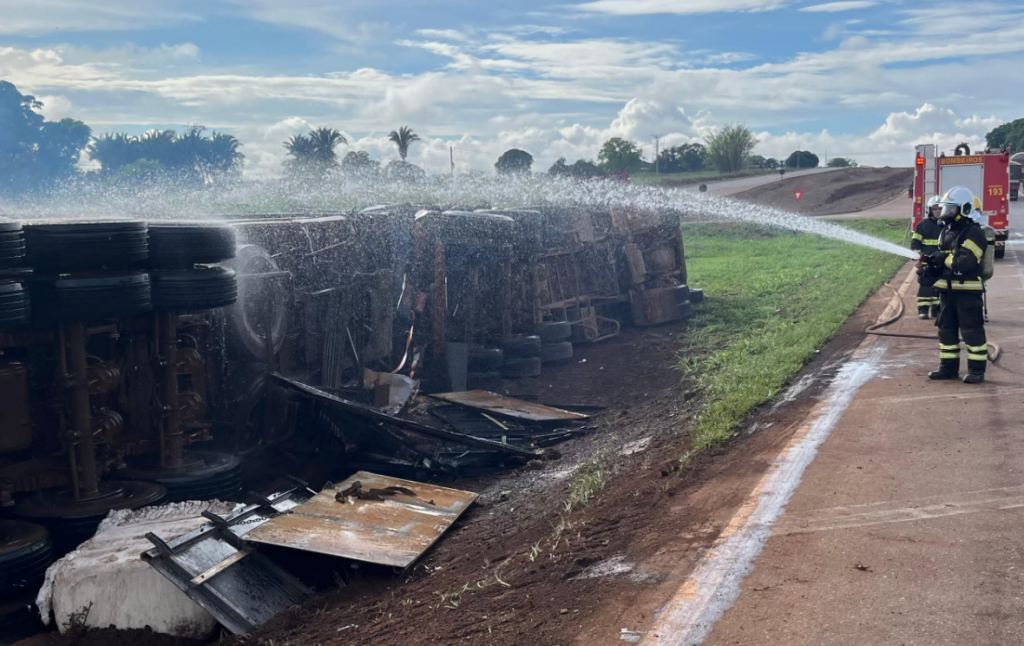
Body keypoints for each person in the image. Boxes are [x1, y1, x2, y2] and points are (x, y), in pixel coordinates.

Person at [919, 185, 988, 384]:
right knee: (946, 330)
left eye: (951, 208)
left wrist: (941, 259)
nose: (946, 212)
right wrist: (929, 266)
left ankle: (976, 371)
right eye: (945, 208)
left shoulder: (974, 233)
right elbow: (943, 258)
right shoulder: (947, 232)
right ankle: (948, 368)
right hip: (947, 292)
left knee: (971, 332)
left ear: (964, 209)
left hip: (967, 293)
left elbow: (964, 262)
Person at [911, 195, 942, 319]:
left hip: (942, 261)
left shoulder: (948, 225)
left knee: (940, 286)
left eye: (940, 208)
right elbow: (915, 243)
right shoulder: (923, 225)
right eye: (935, 209)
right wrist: (917, 259)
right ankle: (923, 310)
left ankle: (937, 310)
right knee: (925, 286)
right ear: (930, 210)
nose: (938, 211)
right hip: (926, 262)